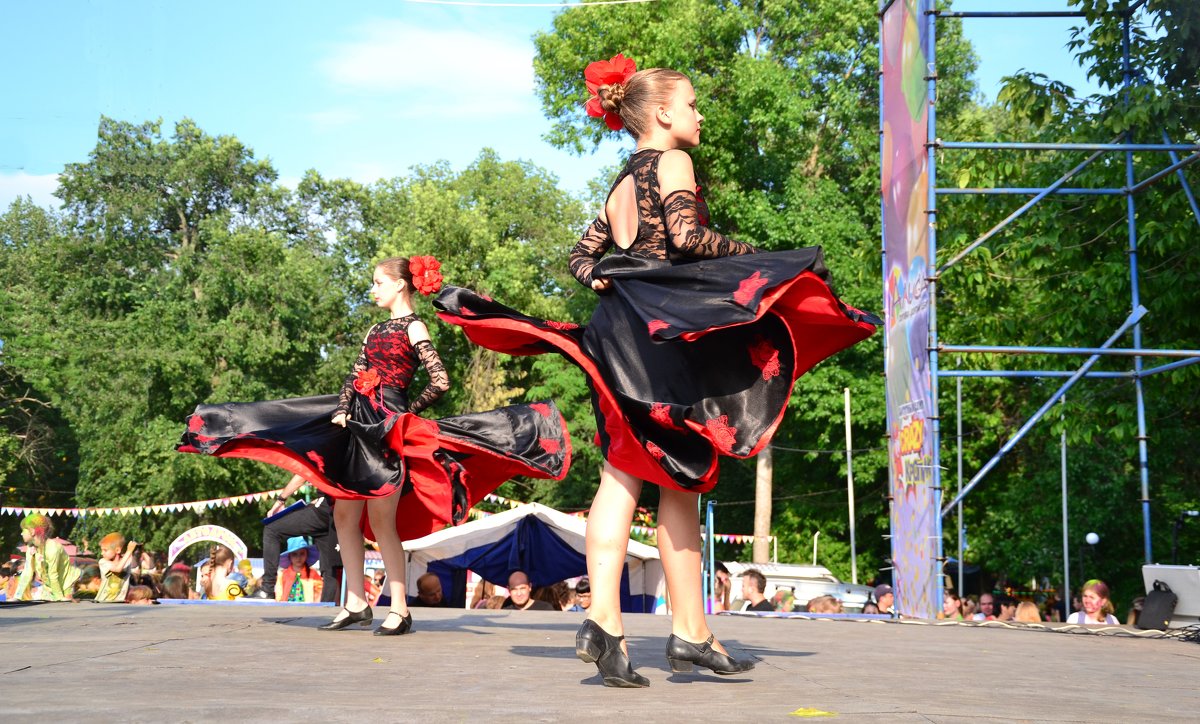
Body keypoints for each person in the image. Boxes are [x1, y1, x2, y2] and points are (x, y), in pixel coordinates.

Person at [435, 55, 877, 688]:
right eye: (692, 105)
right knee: (678, 478)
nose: (699, 115)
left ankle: (617, 623)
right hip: (656, 336)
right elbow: (687, 236)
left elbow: (582, 258)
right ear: (664, 114)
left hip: (618, 330)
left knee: (631, 472)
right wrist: (759, 261)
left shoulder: (621, 181)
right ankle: (684, 631)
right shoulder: (674, 163)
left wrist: (619, 281)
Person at [179, 255, 572, 636]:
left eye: (378, 283)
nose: (373, 290)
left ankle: (399, 609)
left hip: (386, 433)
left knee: (383, 523)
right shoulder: (374, 331)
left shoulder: (414, 328)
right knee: (344, 518)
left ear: (400, 283)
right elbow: (355, 375)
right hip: (355, 427)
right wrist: (343, 410)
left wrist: (404, 413)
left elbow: (441, 381)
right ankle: (355, 603)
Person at [255, 474, 340, 603]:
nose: (298, 558)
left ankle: (267, 589)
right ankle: (326, 606)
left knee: (271, 529)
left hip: (326, 506)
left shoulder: (320, 453)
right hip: (339, 509)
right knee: (330, 567)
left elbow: (303, 473)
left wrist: (281, 500)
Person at [13, 513, 79, 601]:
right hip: (50, 585)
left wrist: (59, 598)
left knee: (63, 608)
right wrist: (17, 596)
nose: (21, 534)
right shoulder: (30, 548)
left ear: (32, 531)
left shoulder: (53, 548)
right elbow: (27, 572)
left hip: (65, 583)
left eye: (23, 531)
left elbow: (53, 575)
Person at [276, 536, 323, 603]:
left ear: (307, 554)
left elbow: (319, 594)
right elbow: (278, 595)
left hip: (308, 610)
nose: (298, 557)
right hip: (286, 610)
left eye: (302, 553)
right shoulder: (282, 574)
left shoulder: (313, 573)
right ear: (289, 556)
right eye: (294, 554)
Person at [96, 533, 139, 603]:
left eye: (105, 550)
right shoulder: (103, 562)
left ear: (118, 550)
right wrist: (129, 551)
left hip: (120, 602)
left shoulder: (127, 561)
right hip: (103, 602)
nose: (102, 553)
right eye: (102, 550)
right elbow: (118, 569)